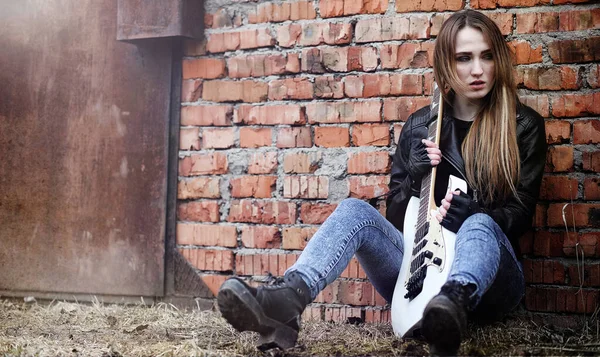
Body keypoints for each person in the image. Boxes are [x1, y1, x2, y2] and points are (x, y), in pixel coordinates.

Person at [216, 9, 547, 356]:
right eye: (464, 58)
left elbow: (521, 215)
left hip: (491, 282)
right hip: (420, 274)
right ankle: (288, 298)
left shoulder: (523, 126)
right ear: (447, 66)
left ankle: (451, 306)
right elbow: (398, 220)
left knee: (480, 222)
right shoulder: (421, 126)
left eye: (486, 56)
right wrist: (415, 178)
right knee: (354, 210)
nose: (477, 70)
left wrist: (475, 212)